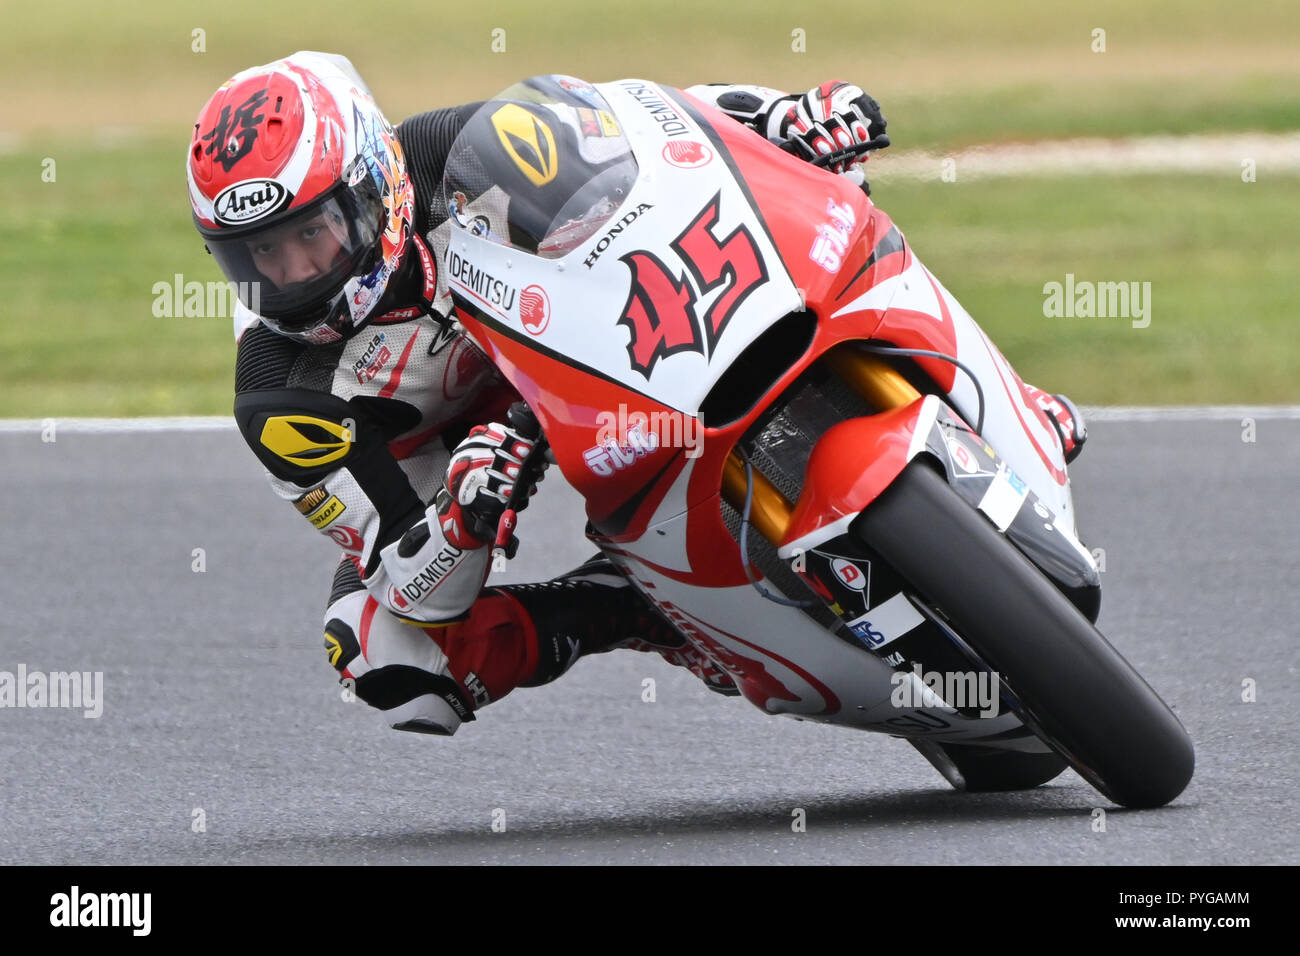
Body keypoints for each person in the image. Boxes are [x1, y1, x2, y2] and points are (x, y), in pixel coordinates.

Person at [187, 52, 1081, 736]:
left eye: (310, 233)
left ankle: (992, 391)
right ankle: (635, 608)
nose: (295, 272)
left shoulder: (441, 151)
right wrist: (461, 517)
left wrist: (779, 115)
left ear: (373, 185)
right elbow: (407, 580)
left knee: (835, 199)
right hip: (446, 463)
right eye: (260, 254)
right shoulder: (283, 397)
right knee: (381, 657)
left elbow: (656, 130)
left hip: (562, 350)